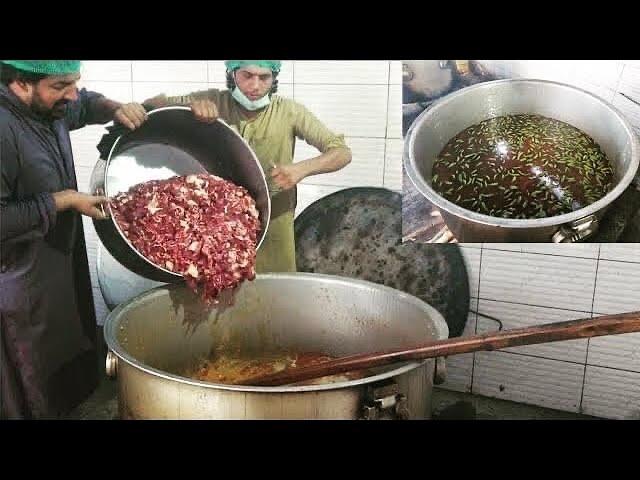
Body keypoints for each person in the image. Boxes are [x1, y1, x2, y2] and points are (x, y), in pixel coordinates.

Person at [0, 60, 148, 419]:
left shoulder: (50, 106)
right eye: (61, 85)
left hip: (57, 264)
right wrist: (65, 200)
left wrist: (115, 108)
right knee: (31, 382)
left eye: (75, 82)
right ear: (20, 84)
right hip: (19, 279)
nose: (73, 93)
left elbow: (86, 104)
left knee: (66, 369)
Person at [143, 60, 352, 273]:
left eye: (264, 78)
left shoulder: (289, 112)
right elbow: (152, 105)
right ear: (232, 73)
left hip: (274, 223)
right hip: (217, 222)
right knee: (218, 286)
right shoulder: (214, 101)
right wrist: (189, 107)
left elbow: (342, 152)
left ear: (274, 77)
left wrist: (301, 169)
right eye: (247, 76)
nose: (255, 86)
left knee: (272, 291)